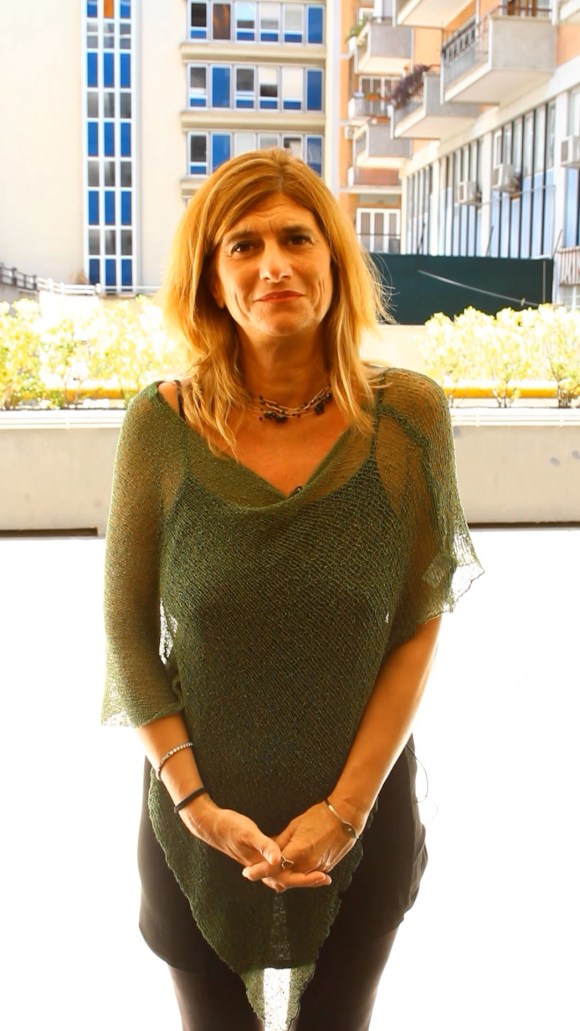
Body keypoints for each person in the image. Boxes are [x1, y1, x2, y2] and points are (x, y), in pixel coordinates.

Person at [102, 148, 482, 1031]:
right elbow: (125, 634)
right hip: (195, 826)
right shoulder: (159, 425)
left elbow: (417, 623)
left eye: (295, 238)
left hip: (363, 817)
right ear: (212, 280)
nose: (273, 263)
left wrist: (346, 812)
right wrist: (198, 808)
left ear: (333, 261)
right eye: (243, 245)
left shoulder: (408, 418)